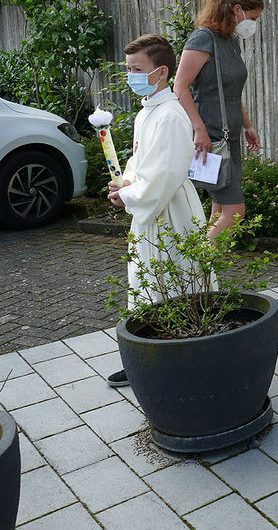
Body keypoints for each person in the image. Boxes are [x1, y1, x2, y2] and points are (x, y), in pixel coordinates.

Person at [105, 35, 209, 387]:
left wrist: (132, 195)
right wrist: (125, 184)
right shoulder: (147, 112)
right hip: (150, 208)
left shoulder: (169, 117)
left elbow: (164, 175)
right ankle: (145, 357)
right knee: (147, 281)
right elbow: (140, 161)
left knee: (172, 279)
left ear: (161, 72)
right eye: (129, 69)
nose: (131, 76)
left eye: (137, 69)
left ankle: (176, 357)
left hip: (169, 210)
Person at [174, 0, 264, 239]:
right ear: (237, 9)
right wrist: (199, 130)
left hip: (229, 134)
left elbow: (231, 91)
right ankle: (198, 268)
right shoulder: (203, 39)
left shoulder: (229, 40)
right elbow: (180, 87)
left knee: (220, 206)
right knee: (235, 210)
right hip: (211, 134)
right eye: (254, 17)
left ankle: (204, 274)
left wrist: (247, 126)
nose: (254, 24)